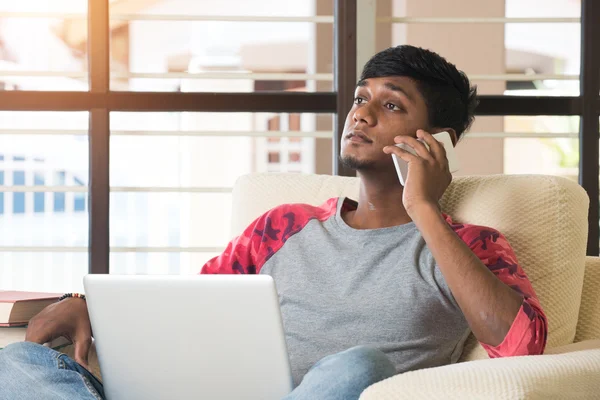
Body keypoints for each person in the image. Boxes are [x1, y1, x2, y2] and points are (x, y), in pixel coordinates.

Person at [0, 45, 547, 400]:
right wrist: (86, 302)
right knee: (19, 362)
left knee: (357, 365)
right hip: (213, 392)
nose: (361, 113)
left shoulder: (469, 245)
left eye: (392, 105)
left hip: (331, 391)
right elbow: (184, 308)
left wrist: (424, 207)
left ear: (436, 141)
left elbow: (520, 347)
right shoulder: (283, 226)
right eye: (361, 99)